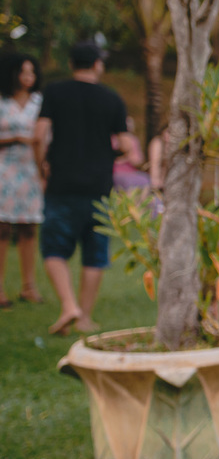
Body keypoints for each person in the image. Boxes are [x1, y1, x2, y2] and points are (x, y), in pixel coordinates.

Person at [33, 41, 140, 335]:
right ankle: (84, 317)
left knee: (54, 248)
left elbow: (39, 134)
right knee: (95, 253)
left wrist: (41, 165)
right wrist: (108, 156)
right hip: (99, 186)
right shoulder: (112, 98)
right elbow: (128, 147)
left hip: (62, 183)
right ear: (97, 65)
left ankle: (68, 305)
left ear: (71, 64)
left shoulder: (54, 92)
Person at [0, 53, 45, 307]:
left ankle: (29, 286)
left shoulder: (39, 102)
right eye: (22, 72)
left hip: (31, 169)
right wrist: (16, 139)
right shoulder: (2, 101)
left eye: (32, 72)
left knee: (29, 227)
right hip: (4, 168)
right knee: (2, 228)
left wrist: (44, 169)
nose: (28, 78)